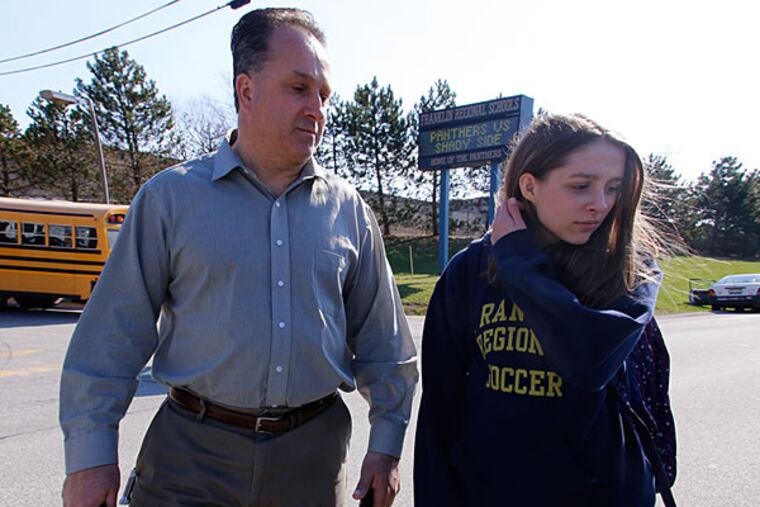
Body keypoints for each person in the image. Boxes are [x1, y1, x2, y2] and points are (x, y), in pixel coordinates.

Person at [60, 8, 417, 507]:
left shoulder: (348, 211)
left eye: (323, 94)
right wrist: (90, 458)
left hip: (309, 463)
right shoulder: (171, 199)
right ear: (245, 91)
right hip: (189, 460)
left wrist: (386, 448)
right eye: (299, 88)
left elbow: (386, 346)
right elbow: (109, 341)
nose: (317, 108)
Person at [414, 113, 667, 506]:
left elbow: (589, 360)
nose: (600, 205)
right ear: (529, 185)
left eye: (613, 188)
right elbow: (440, 409)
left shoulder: (632, 269)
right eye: (581, 186)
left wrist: (518, 263)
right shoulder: (470, 270)